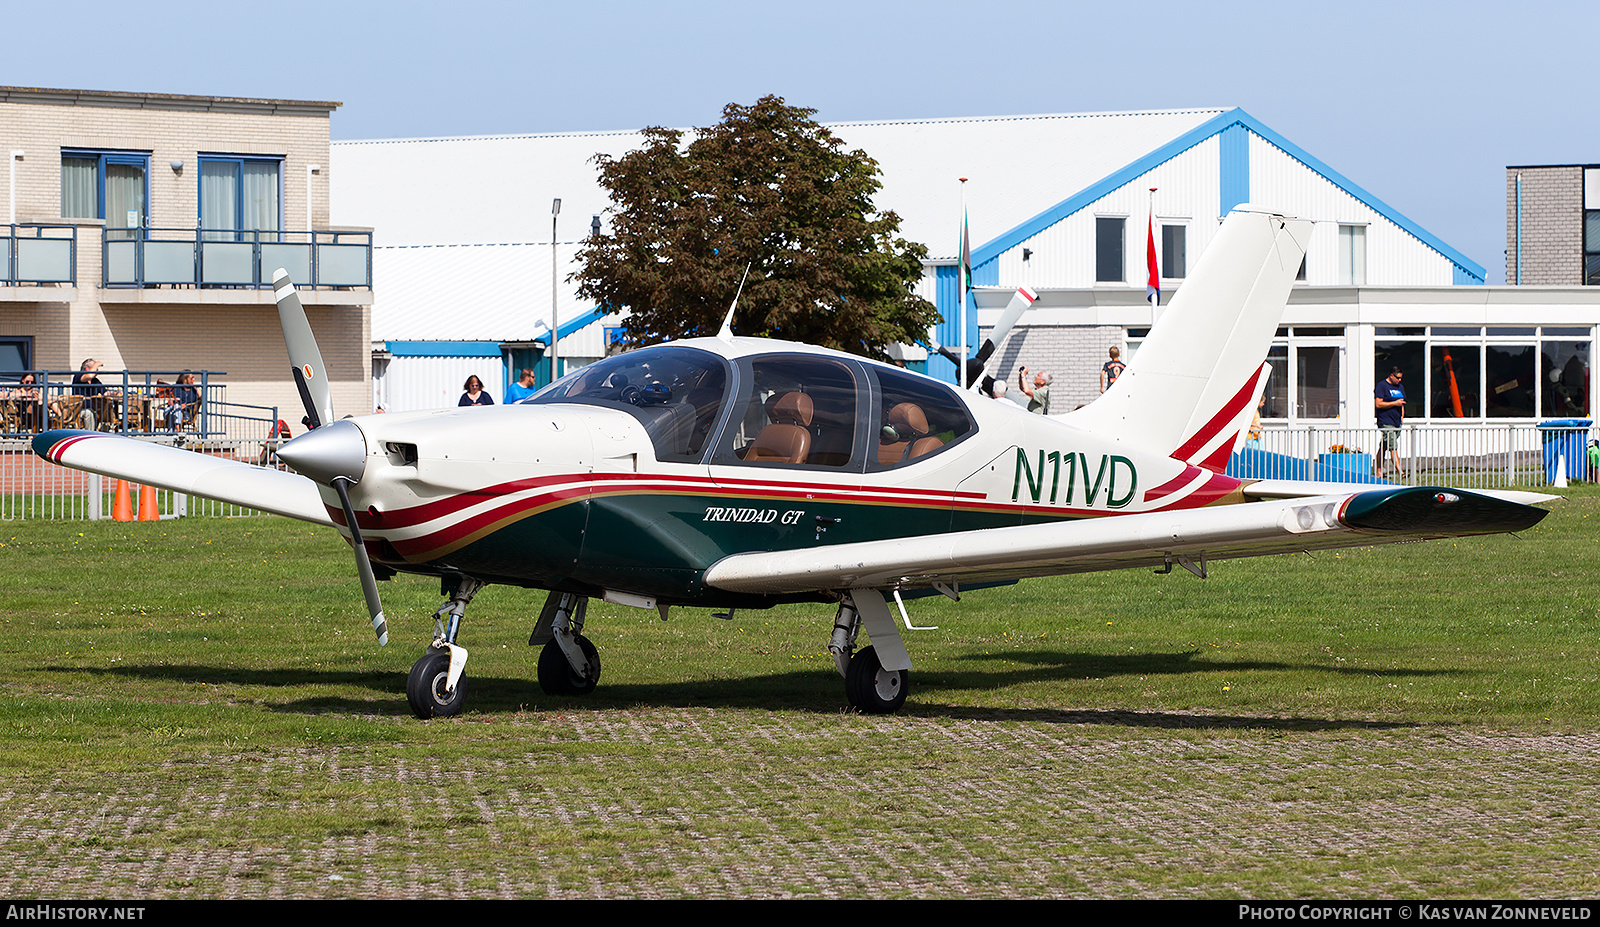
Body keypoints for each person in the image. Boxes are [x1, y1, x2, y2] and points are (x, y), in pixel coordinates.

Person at [1374, 366, 1406, 479]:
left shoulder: (1400, 387)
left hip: (1397, 421)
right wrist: (1394, 404)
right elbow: (1378, 404)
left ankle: (1378, 472)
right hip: (1386, 421)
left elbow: (1401, 403)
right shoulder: (1382, 386)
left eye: (1401, 378)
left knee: (1384, 446)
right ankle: (1400, 472)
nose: (1399, 380)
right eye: (1397, 378)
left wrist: (1402, 415)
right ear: (1391, 375)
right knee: (1393, 446)